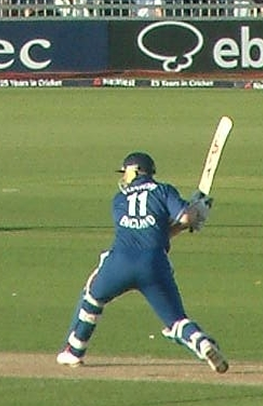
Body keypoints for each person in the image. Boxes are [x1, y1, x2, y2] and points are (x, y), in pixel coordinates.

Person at [56, 152, 228, 374]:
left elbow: (147, 230)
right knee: (176, 321)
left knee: (92, 298)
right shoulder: (164, 190)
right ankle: (201, 342)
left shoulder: (118, 200)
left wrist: (190, 217)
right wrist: (197, 211)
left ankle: (74, 351)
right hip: (154, 264)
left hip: (119, 263)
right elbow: (179, 220)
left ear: (134, 172)